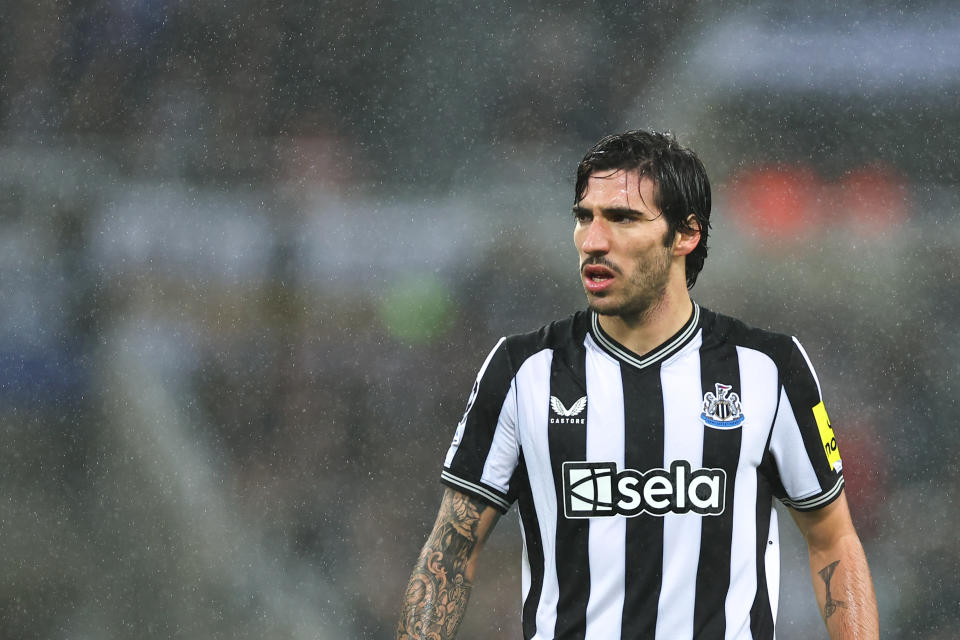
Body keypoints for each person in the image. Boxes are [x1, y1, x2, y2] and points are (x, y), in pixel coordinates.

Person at [397, 130, 878, 640]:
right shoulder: (523, 370)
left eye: (622, 218)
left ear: (685, 235)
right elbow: (450, 553)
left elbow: (831, 540)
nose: (593, 240)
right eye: (585, 217)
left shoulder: (768, 368)